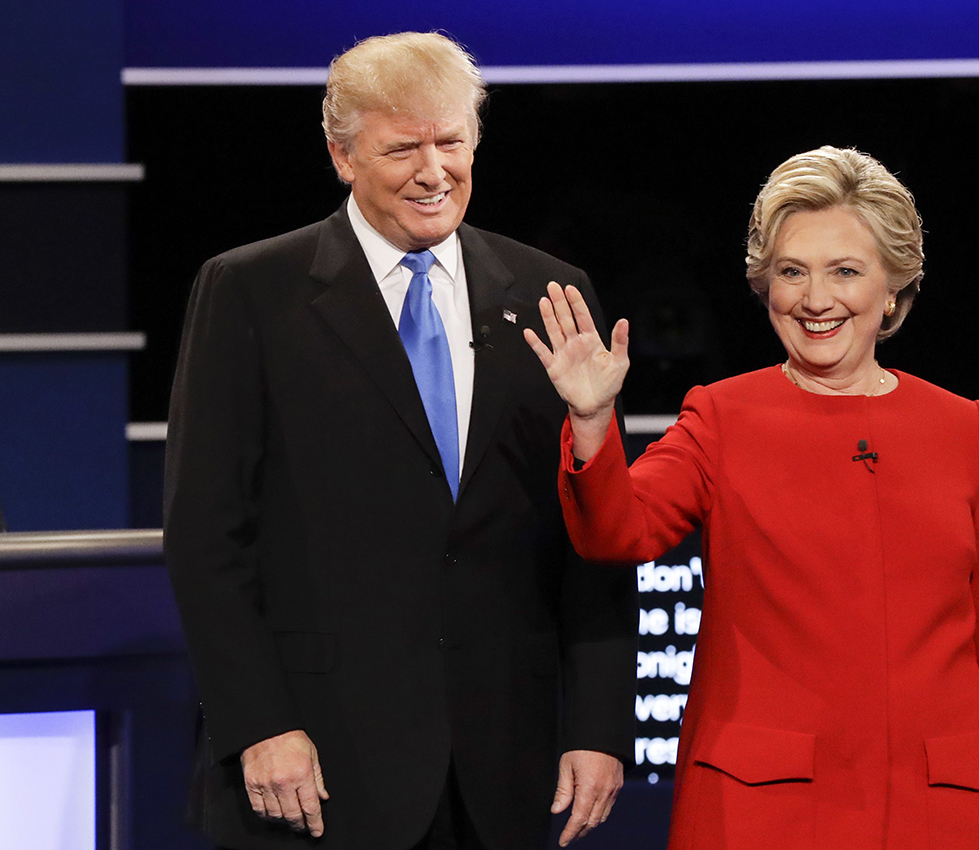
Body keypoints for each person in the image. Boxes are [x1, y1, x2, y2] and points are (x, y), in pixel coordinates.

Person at [164, 32, 636, 850]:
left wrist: (597, 725)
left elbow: (590, 529)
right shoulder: (251, 291)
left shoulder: (550, 292)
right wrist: (258, 724)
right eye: (402, 148)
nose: (434, 170)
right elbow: (207, 535)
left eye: (452, 142)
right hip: (318, 757)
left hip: (505, 761)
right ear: (342, 156)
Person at [525, 146, 979, 849]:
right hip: (765, 813)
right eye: (792, 272)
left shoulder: (959, 426)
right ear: (764, 285)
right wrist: (593, 424)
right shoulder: (722, 417)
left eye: (845, 271)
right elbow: (618, 532)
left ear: (894, 289)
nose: (816, 300)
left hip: (947, 812)